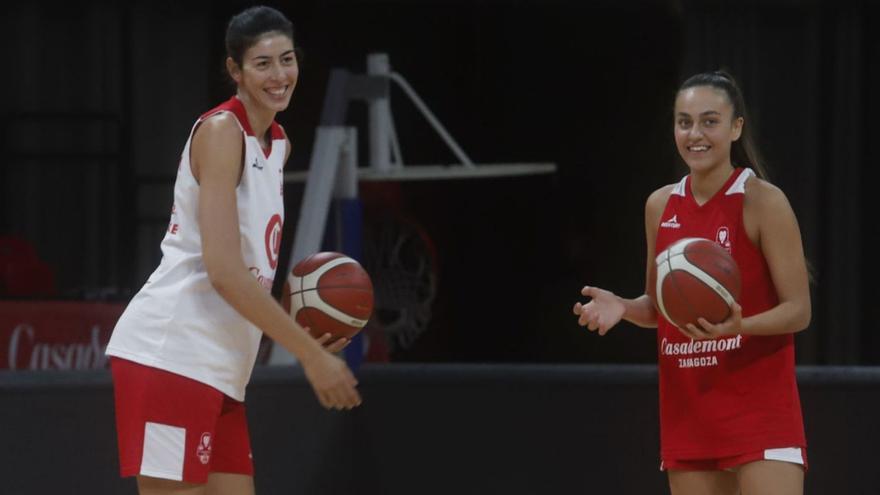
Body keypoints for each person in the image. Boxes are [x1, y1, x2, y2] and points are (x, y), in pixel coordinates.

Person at [105, 6, 361, 494]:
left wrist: (311, 318)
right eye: (262, 63)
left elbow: (252, 271)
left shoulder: (277, 144)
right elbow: (224, 271)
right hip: (172, 353)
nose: (279, 74)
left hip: (222, 367)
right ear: (234, 70)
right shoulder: (223, 133)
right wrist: (308, 354)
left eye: (287, 60)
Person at [573, 70, 810, 495]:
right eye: (684, 122)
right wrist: (625, 307)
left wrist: (742, 326)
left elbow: (799, 310)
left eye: (709, 121)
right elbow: (664, 305)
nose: (695, 134)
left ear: (736, 127)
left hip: (760, 410)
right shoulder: (660, 205)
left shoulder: (763, 201)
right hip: (690, 410)